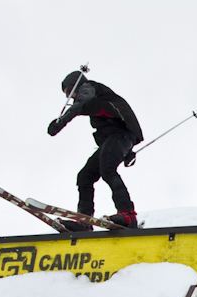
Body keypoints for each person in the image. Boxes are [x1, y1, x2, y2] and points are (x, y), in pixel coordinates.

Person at [46, 70, 144, 229]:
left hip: (121, 135)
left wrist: (61, 122)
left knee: (107, 169)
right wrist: (126, 150)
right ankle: (85, 222)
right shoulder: (93, 100)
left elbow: (81, 103)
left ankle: (128, 214)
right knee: (85, 176)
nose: (69, 97)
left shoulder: (88, 87)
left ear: (75, 85)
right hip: (117, 138)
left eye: (69, 92)